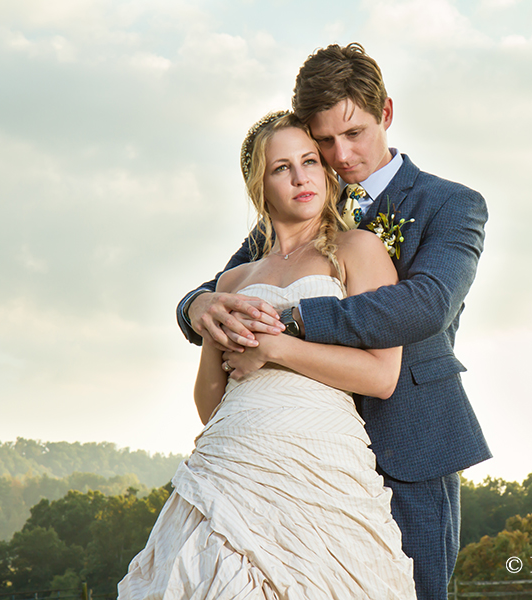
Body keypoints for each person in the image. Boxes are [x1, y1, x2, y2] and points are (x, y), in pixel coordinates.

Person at [177, 43, 491, 599]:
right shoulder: (299, 206)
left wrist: (289, 323)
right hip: (296, 451)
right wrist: (195, 307)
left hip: (409, 443)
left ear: (386, 115)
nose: (340, 157)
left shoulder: (450, 204)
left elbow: (426, 304)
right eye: (323, 140)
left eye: (355, 133)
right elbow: (230, 285)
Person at [120, 111, 416, 599]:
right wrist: (215, 326)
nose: (301, 177)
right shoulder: (233, 281)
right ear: (259, 185)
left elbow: (382, 376)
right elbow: (210, 402)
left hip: (320, 458)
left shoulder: (358, 250)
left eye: (309, 162)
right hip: (232, 460)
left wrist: (274, 348)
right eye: (282, 168)